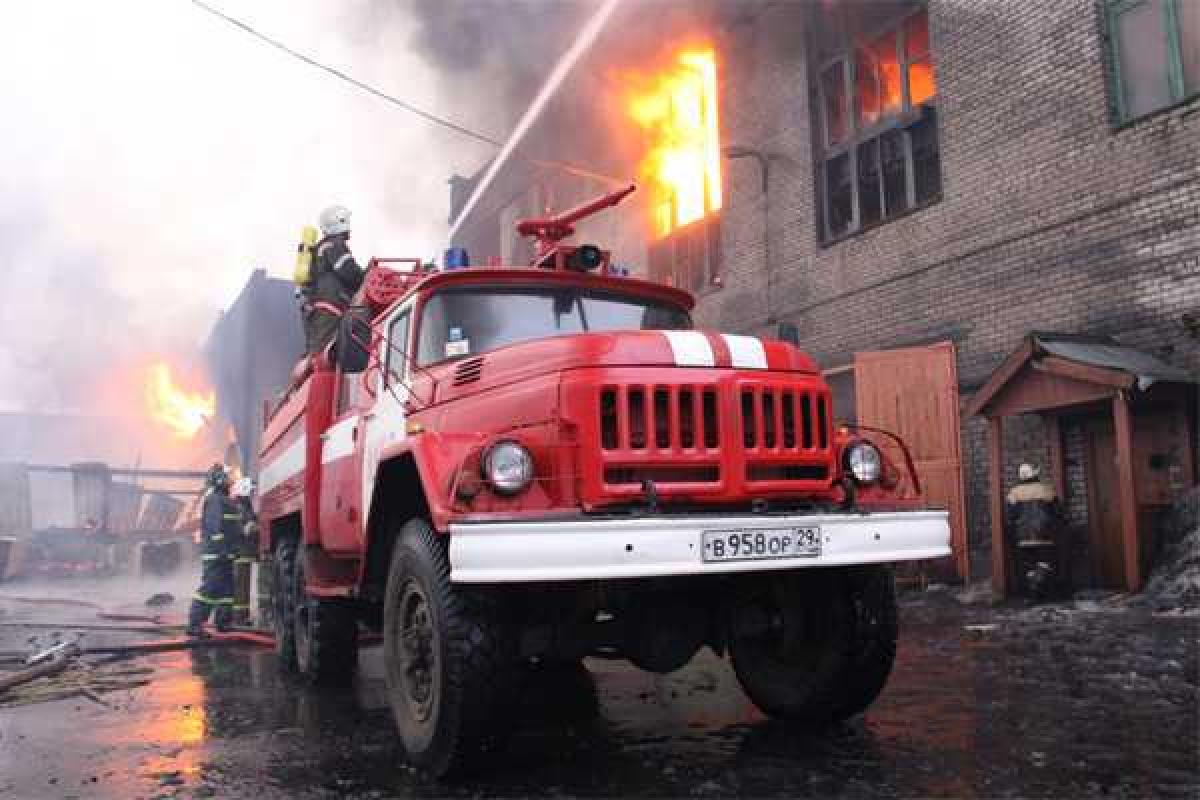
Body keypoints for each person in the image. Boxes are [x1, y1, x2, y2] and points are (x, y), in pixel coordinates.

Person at [302, 204, 366, 355]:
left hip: (321, 312)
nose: (350, 227)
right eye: (346, 222)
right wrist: (367, 275)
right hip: (329, 312)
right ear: (339, 223)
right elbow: (351, 274)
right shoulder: (334, 245)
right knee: (324, 355)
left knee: (320, 351)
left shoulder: (320, 248)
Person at [186, 464, 240, 637]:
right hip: (217, 553)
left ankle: (223, 622)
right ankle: (195, 625)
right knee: (210, 589)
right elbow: (215, 528)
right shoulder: (215, 499)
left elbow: (231, 527)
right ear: (217, 479)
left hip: (226, 552)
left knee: (226, 590)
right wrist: (222, 549)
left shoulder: (226, 499)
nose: (229, 480)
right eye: (226, 477)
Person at [229, 477, 258, 627]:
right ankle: (238, 618)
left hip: (245, 554)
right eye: (250, 491)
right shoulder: (239, 507)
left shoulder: (245, 506)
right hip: (240, 554)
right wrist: (252, 527)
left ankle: (241, 617)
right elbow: (241, 529)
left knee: (243, 588)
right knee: (240, 588)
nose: (252, 494)